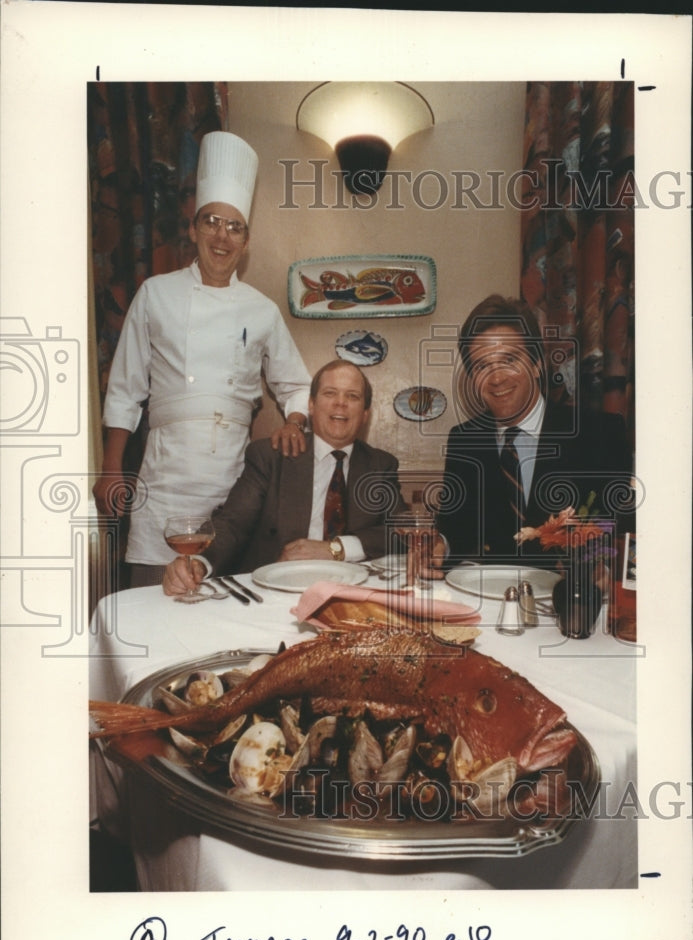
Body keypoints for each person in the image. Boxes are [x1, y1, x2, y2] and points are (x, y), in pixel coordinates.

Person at [93, 131, 311, 586]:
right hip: (165, 478)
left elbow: (296, 384)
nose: (222, 236)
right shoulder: (155, 293)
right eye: (212, 221)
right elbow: (126, 388)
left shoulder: (262, 309)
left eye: (235, 227)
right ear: (193, 229)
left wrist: (294, 421)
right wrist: (111, 468)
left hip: (232, 485)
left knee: (222, 603)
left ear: (246, 241)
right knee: (153, 603)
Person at [163, 360, 406, 595]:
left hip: (353, 589)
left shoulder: (379, 465)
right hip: (276, 591)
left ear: (365, 413)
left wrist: (335, 549)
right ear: (311, 405)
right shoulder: (271, 456)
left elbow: (401, 531)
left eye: (352, 396)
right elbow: (233, 523)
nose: (340, 403)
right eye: (330, 393)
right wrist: (199, 562)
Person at [429, 294, 633, 571]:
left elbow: (622, 533)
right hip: (490, 602)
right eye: (481, 366)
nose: (497, 377)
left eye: (509, 360)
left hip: (572, 605)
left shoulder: (600, 434)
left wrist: (599, 568)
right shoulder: (464, 440)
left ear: (537, 363)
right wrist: (439, 545)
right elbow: (456, 531)